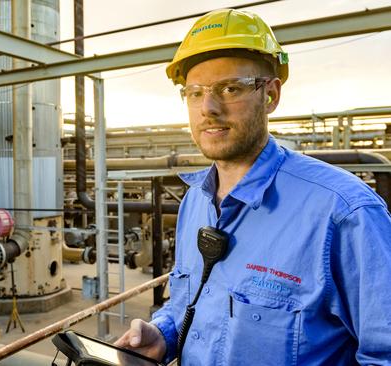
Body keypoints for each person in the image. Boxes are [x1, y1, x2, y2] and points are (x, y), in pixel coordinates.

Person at [115, 8, 391, 365]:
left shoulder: (344, 213)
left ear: (271, 95)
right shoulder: (195, 202)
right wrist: (164, 334)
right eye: (194, 93)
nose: (208, 108)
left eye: (230, 88)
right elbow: (190, 303)